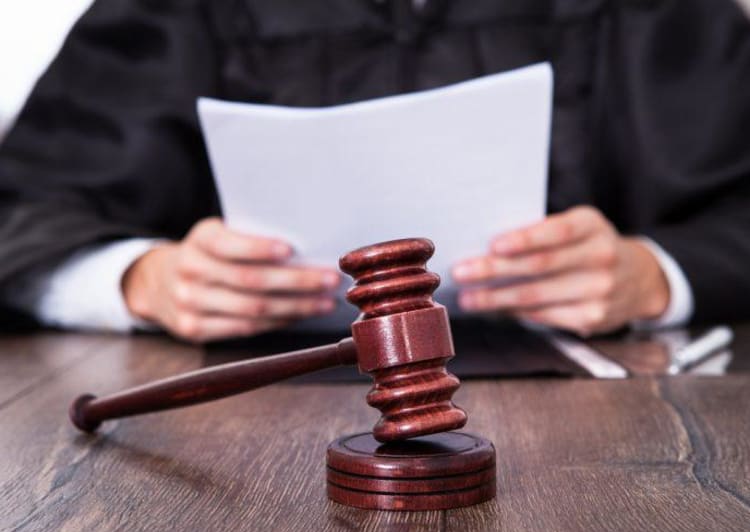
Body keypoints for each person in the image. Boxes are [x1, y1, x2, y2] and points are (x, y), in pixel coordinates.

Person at [0, 0, 749, 343]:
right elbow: (24, 205)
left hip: (615, 436)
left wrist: (654, 273)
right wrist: (141, 279)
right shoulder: (182, 9)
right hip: (241, 428)